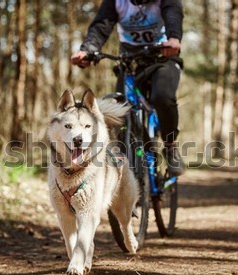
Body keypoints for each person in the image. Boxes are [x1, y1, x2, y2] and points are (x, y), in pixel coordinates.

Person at [71, 0, 185, 176]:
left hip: (162, 58)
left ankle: (170, 146)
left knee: (162, 96)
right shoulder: (116, 2)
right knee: (119, 110)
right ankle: (138, 153)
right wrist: (88, 50)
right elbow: (102, 25)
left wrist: (174, 38)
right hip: (130, 62)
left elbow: (173, 14)